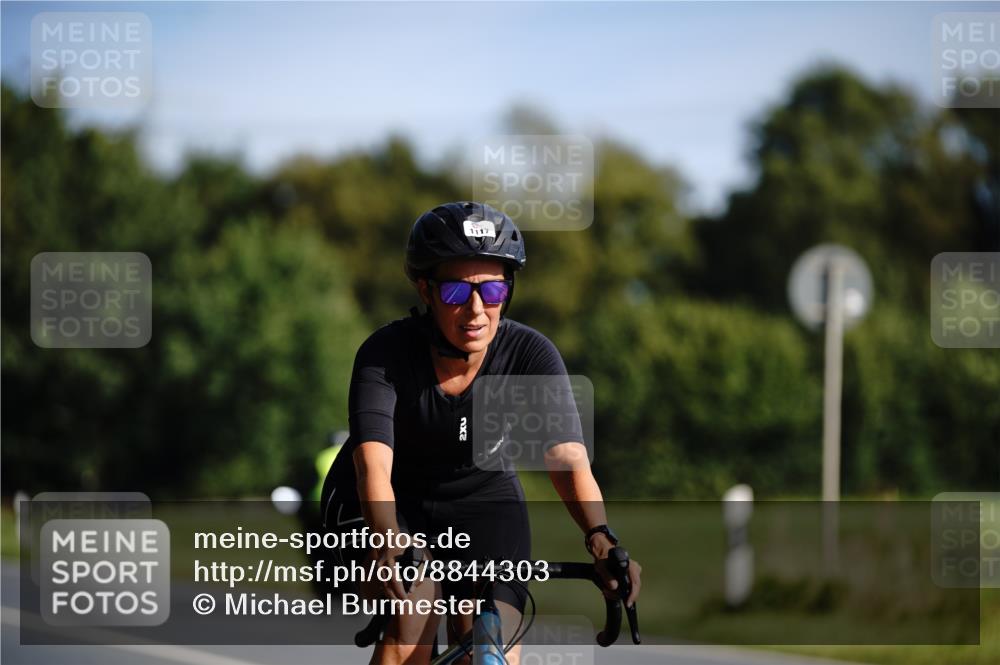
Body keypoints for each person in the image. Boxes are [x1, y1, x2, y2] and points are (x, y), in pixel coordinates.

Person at [321, 201, 641, 665]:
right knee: (413, 618)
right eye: (456, 293)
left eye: (492, 291)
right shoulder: (386, 353)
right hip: (387, 502)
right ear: (425, 290)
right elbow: (373, 464)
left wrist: (601, 536)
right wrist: (385, 536)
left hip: (482, 502)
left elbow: (567, 458)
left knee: (493, 646)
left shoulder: (528, 354)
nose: (476, 310)